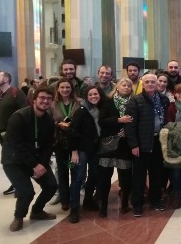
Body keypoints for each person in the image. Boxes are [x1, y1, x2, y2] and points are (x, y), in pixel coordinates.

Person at [2, 87, 57, 232]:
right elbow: (16, 145)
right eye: (42, 98)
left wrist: (42, 165)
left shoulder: (49, 121)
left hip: (36, 159)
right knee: (27, 192)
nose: (45, 101)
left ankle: (37, 211)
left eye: (48, 99)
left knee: (51, 185)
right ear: (34, 100)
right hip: (14, 161)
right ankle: (19, 216)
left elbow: (48, 146)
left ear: (51, 102)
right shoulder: (19, 117)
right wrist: (34, 165)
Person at [125, 74, 170, 217]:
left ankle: (155, 200)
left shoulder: (163, 99)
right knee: (139, 176)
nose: (150, 84)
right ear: (142, 84)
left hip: (158, 141)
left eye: (153, 82)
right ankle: (137, 204)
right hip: (142, 143)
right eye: (147, 82)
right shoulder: (135, 101)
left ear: (157, 84)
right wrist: (133, 145)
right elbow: (130, 125)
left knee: (157, 173)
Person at [68, 86, 106, 223]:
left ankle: (88, 200)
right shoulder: (81, 111)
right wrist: (74, 152)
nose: (93, 97)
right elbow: (72, 132)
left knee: (95, 175)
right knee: (78, 177)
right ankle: (74, 208)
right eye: (90, 94)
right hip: (81, 149)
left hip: (95, 149)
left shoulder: (99, 110)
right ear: (86, 96)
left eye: (96, 94)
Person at [97, 78, 134, 217]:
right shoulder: (108, 101)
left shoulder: (134, 101)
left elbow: (137, 119)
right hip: (109, 143)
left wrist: (128, 130)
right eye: (123, 85)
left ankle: (124, 203)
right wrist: (119, 120)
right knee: (105, 177)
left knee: (125, 178)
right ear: (117, 87)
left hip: (125, 145)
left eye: (129, 86)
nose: (126, 87)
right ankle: (103, 205)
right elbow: (102, 121)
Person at [49, 77, 81, 211]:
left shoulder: (78, 103)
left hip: (75, 144)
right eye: (62, 87)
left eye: (67, 87)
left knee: (74, 171)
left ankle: (74, 198)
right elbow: (48, 121)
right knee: (62, 172)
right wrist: (58, 124)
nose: (65, 90)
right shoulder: (53, 104)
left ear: (72, 89)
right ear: (58, 89)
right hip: (60, 143)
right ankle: (64, 199)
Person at [0, 71, 29, 196]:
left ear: (6, 79)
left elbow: (25, 111)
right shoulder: (1, 95)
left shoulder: (16, 93)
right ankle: (17, 183)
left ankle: (20, 184)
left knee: (13, 159)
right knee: (9, 159)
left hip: (13, 134)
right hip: (2, 133)